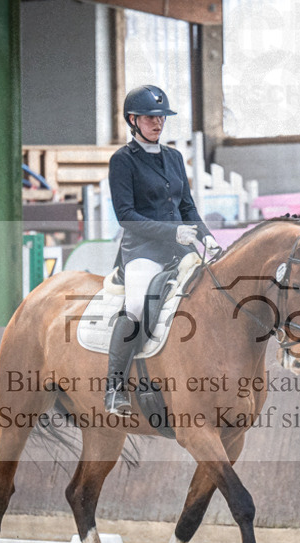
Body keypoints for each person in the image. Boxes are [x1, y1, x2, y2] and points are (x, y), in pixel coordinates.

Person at [104, 84, 221, 415]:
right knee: (138, 306)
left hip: (181, 247)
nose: (158, 124)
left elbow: (187, 206)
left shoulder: (173, 157)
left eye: (161, 118)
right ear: (133, 120)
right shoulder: (123, 161)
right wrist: (174, 232)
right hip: (142, 250)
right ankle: (114, 388)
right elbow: (126, 217)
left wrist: (206, 236)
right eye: (150, 118)